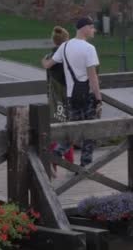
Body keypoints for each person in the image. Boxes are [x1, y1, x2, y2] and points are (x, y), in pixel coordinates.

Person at [42, 17, 102, 167]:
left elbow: (48, 64)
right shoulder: (89, 49)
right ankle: (85, 166)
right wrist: (99, 99)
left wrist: (43, 60)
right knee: (90, 132)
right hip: (87, 95)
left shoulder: (65, 46)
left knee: (73, 130)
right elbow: (93, 77)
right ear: (84, 28)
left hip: (71, 96)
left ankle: (56, 153)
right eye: (92, 27)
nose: (94, 30)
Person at [45, 26, 74, 176]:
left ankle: (53, 166)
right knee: (68, 132)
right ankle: (70, 165)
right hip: (65, 96)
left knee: (54, 132)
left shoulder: (49, 55)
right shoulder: (67, 55)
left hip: (53, 97)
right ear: (66, 40)